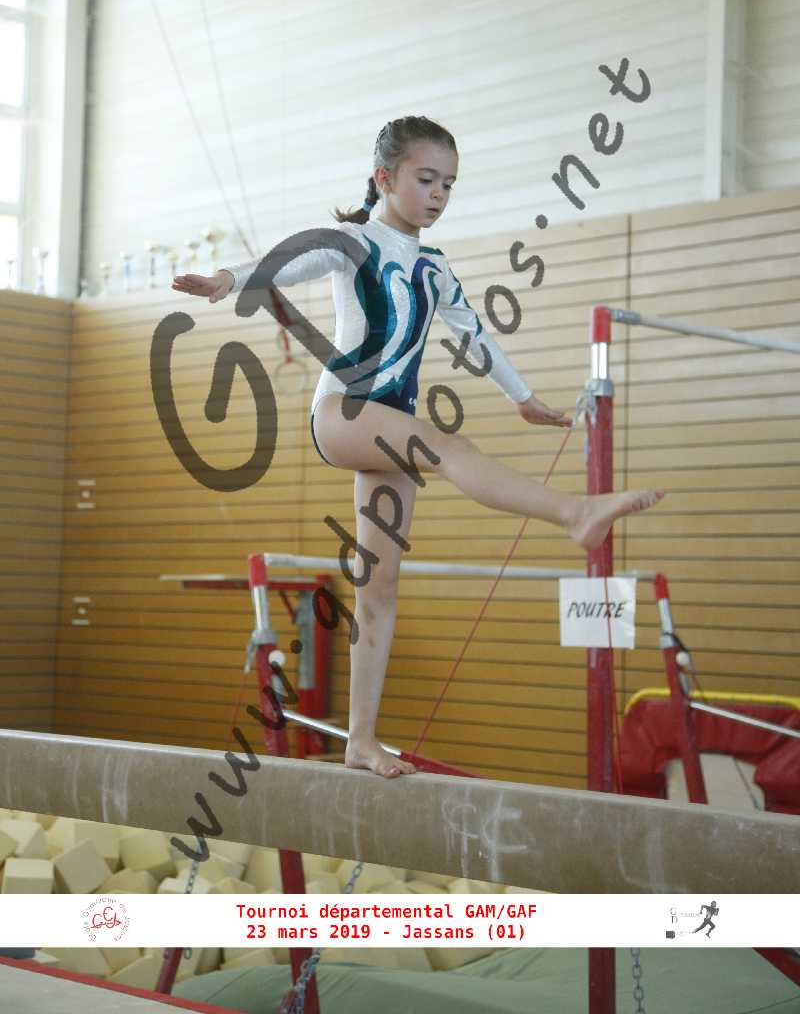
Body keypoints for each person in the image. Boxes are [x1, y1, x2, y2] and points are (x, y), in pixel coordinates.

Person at [172, 115, 665, 780]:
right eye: (426, 179)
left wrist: (522, 397)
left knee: (380, 588)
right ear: (384, 178)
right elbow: (290, 258)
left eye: (449, 184)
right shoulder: (354, 242)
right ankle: (574, 513)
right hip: (344, 412)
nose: (439, 194)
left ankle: (361, 741)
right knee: (449, 446)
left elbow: (475, 336)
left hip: (388, 425)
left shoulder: (434, 267)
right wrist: (227, 280)